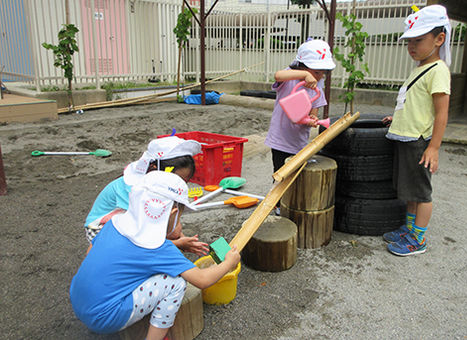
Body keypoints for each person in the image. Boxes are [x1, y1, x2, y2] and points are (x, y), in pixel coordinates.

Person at [70, 171, 241, 340]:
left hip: (78, 301)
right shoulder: (161, 248)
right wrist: (228, 263)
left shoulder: (114, 223)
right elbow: (202, 280)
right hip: (105, 318)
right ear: (173, 214)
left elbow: (90, 253)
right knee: (175, 283)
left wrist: (178, 244)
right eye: (180, 218)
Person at [381, 5, 451, 256]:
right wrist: (397, 118)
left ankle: (418, 239)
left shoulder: (438, 70)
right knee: (410, 190)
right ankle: (410, 230)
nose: (412, 46)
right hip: (406, 136)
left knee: (421, 193)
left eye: (418, 40)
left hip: (419, 142)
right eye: (409, 41)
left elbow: (441, 112)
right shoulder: (420, 67)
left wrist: (434, 147)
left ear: (439, 39)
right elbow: (413, 102)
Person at [84, 136, 208, 256]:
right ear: (154, 168)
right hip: (100, 229)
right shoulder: (135, 188)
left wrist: (182, 237)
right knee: (160, 238)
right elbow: (138, 229)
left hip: (128, 224)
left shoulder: (155, 181)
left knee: (174, 229)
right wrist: (177, 244)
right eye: (176, 179)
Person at [264, 39, 336, 214]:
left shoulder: (317, 85)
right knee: (280, 173)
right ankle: (279, 205)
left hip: (299, 140)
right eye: (316, 72)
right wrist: (303, 76)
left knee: (297, 174)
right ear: (302, 66)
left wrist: (313, 119)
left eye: (323, 73)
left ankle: (292, 203)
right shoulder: (290, 77)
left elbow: (315, 108)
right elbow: (278, 75)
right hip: (280, 138)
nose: (320, 76)